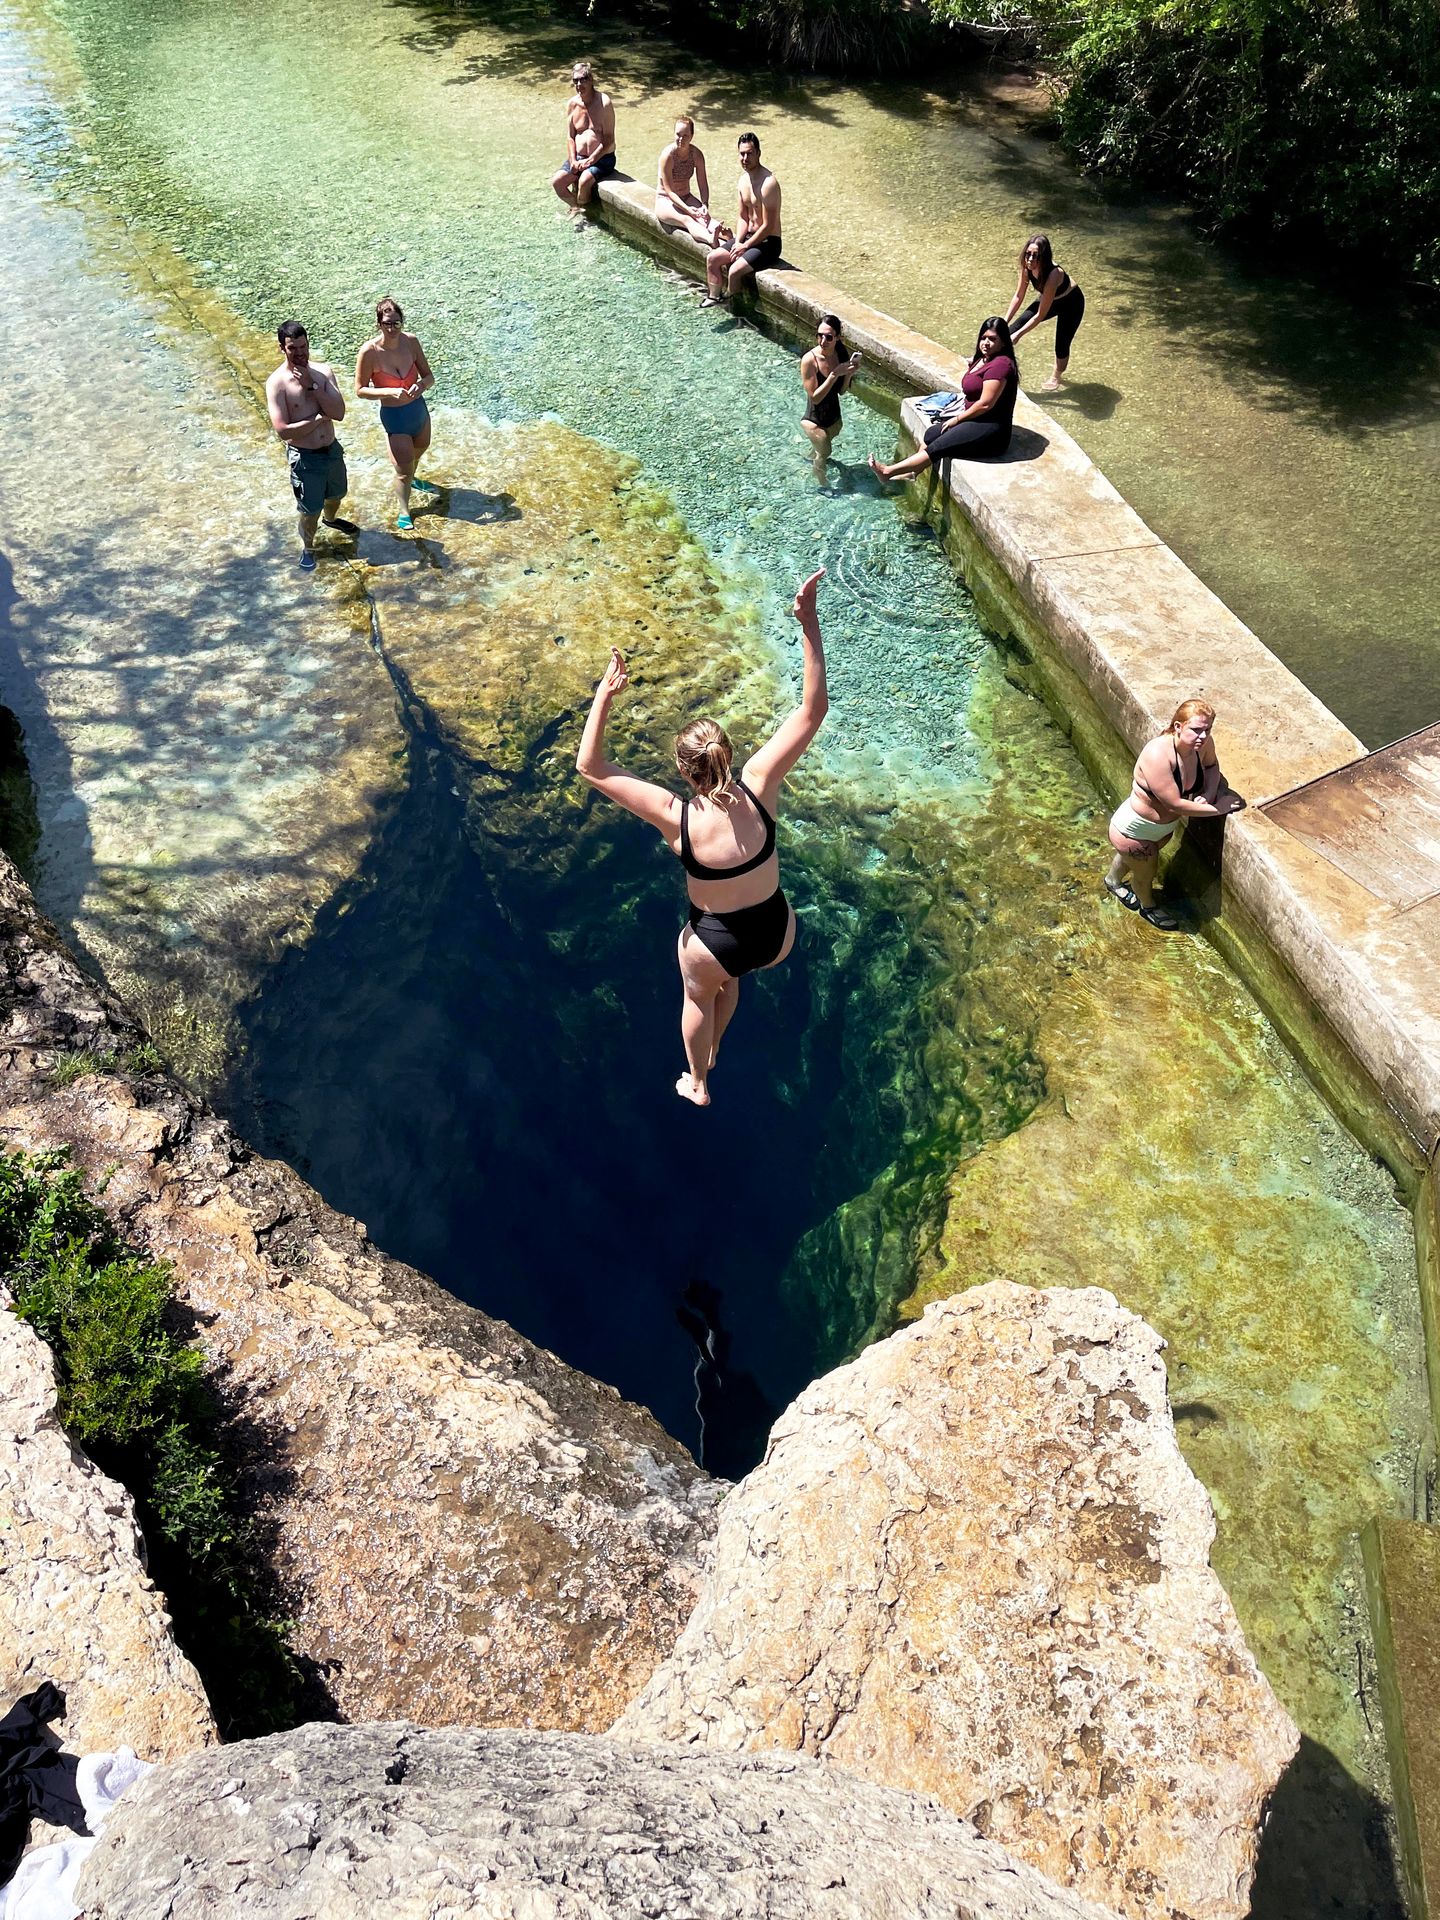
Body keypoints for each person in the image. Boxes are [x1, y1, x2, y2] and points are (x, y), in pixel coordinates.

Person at [575, 569, 830, 1107]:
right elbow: (812, 710)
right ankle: (718, 1030)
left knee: (700, 986)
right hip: (777, 937)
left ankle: (699, 1077)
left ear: (682, 770)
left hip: (715, 945)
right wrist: (808, 623)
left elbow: (591, 766)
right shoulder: (762, 782)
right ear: (729, 756)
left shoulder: (676, 816)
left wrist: (605, 694)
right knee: (732, 978)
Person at [1105, 699, 1244, 929]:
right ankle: (1148, 907)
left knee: (1134, 861)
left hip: (1160, 829)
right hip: (1134, 830)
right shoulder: (1158, 755)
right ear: (1178, 727)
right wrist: (1219, 808)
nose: (1202, 736)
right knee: (1145, 874)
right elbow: (1175, 804)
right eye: (1196, 730)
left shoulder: (1203, 745)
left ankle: (1112, 881)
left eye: (1207, 729)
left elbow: (1211, 767)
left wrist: (1209, 794)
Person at [868, 316, 1020, 482]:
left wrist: (956, 419)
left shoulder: (1000, 365)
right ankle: (913, 472)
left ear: (1003, 342)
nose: (986, 343)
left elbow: (985, 404)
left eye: (992, 339)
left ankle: (888, 471)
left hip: (991, 428)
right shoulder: (983, 359)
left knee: (939, 446)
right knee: (931, 434)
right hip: (974, 418)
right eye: (983, 338)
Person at [265, 320, 356, 573]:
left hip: (331, 449)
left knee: (337, 494)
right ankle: (308, 547)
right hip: (305, 458)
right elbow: (283, 430)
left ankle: (332, 520)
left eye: (303, 346)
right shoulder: (277, 383)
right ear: (282, 348)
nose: (300, 353)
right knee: (309, 510)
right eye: (293, 348)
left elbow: (338, 413)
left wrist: (311, 386)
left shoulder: (323, 372)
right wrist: (316, 419)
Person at [355, 298, 435, 532]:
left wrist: (421, 386)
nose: (392, 329)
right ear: (378, 324)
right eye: (387, 324)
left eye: (396, 323)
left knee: (420, 450)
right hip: (395, 417)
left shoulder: (411, 342)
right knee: (402, 471)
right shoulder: (369, 352)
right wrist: (390, 391)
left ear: (402, 322)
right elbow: (359, 390)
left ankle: (413, 478)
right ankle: (404, 511)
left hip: (418, 410)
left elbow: (429, 377)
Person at [702, 132, 782, 309]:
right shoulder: (743, 180)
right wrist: (738, 242)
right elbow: (743, 216)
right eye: (742, 153)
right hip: (748, 238)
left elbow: (768, 225)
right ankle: (714, 297)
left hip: (768, 243)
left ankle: (737, 309)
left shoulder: (768, 183)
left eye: (749, 153)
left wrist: (745, 247)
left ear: (758, 154)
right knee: (712, 259)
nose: (745, 158)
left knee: (734, 271)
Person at [1006, 233, 1085, 393]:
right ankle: (980, 359)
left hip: (1071, 303)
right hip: (1049, 299)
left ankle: (1056, 376)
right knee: (1010, 329)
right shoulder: (1026, 267)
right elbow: (1019, 295)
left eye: (1035, 255)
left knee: (1061, 344)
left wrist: (1019, 335)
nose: (1030, 259)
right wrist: (1003, 321)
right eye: (1028, 254)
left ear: (1044, 256)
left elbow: (1040, 315)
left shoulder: (1054, 273)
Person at [800, 313, 860, 484]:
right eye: (819, 336)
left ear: (838, 338)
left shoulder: (840, 354)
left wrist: (848, 374)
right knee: (824, 453)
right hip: (814, 420)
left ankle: (809, 456)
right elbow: (815, 398)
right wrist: (834, 374)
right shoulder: (810, 360)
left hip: (834, 419)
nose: (823, 341)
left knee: (821, 449)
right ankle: (822, 484)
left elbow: (841, 392)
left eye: (828, 337)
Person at [552, 62, 616, 211]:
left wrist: (590, 161)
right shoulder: (572, 104)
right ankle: (576, 208)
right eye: (576, 81)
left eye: (583, 79)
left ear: (591, 79)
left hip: (602, 159)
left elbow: (608, 140)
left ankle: (586, 217)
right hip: (579, 158)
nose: (579, 84)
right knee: (557, 182)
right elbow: (570, 137)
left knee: (584, 181)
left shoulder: (604, 103)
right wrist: (573, 160)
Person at [656, 116, 712, 244]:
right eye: (678, 134)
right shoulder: (668, 156)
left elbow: (703, 184)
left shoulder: (696, 155)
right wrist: (688, 209)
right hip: (665, 200)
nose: (681, 139)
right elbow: (669, 192)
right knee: (687, 219)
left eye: (685, 136)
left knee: (706, 218)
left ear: (692, 136)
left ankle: (727, 237)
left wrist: (704, 204)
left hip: (686, 196)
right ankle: (711, 240)